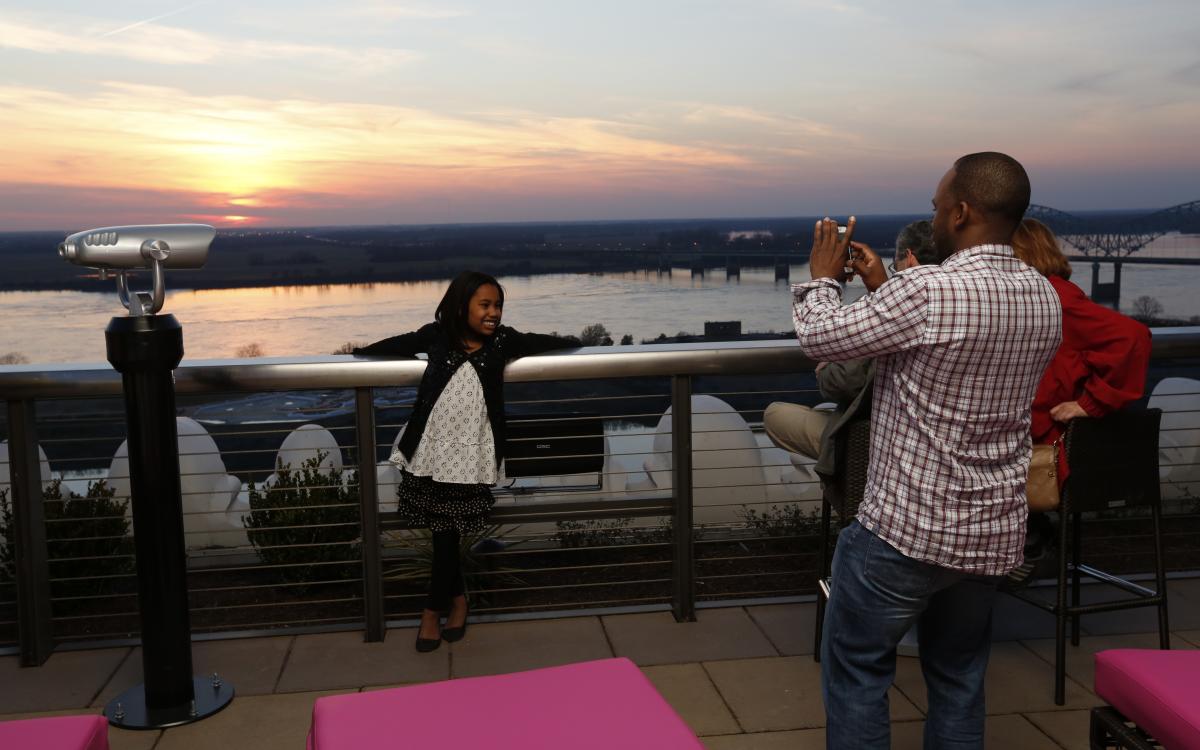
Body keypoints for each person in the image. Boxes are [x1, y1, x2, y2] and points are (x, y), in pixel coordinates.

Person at [792, 152, 1062, 748]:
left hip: (905, 532)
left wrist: (820, 277)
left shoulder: (928, 287)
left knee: (859, 671)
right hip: (988, 530)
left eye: (938, 206)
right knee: (960, 676)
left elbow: (822, 339)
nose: (934, 216)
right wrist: (884, 290)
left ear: (962, 212)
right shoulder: (1043, 295)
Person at [353, 271, 576, 652]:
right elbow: (397, 345)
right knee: (444, 536)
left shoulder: (504, 341)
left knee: (446, 536)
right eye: (485, 305)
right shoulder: (437, 336)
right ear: (461, 306)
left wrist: (578, 341)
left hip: (470, 457)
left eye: (498, 305)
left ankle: (431, 612)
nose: (494, 313)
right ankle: (457, 601)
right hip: (430, 451)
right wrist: (356, 353)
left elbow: (543, 343)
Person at [1007, 218, 1152, 580]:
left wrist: (1090, 404)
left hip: (1042, 446)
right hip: (1027, 437)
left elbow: (1133, 337)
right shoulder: (1038, 296)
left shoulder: (1055, 298)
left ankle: (1026, 543)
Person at [763, 220, 936, 479]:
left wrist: (823, 280)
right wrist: (882, 290)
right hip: (926, 448)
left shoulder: (900, 315)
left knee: (775, 415)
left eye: (895, 267)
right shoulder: (959, 300)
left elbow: (839, 381)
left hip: (875, 445)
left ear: (909, 259)